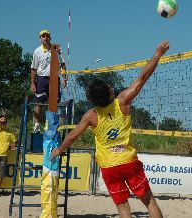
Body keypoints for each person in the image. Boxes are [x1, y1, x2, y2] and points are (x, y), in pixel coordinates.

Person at [50, 40, 169, 218]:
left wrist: (59, 149)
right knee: (149, 201)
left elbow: (73, 135)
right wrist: (157, 54)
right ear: (108, 92)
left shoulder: (91, 115)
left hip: (109, 166)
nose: (111, 86)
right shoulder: (123, 101)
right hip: (128, 161)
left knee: (123, 208)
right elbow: (142, 78)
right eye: (109, 86)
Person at [30, 29, 67, 133]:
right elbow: (33, 68)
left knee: (53, 103)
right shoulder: (37, 51)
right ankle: (36, 126)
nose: (45, 38)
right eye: (43, 36)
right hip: (41, 78)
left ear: (50, 37)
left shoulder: (56, 48)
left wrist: (64, 78)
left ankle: (50, 125)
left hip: (54, 78)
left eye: (47, 36)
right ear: (40, 38)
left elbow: (62, 64)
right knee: (39, 102)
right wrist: (32, 83)